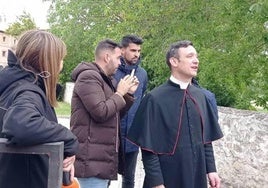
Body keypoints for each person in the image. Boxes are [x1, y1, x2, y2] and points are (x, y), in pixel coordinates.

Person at [127, 40, 223, 188]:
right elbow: (148, 148)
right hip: (167, 177)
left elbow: (206, 139)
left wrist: (211, 170)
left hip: (197, 174)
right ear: (174, 61)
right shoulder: (154, 99)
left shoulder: (201, 96)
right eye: (190, 56)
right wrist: (157, 183)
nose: (196, 60)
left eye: (196, 56)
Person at [0, 29, 78, 188]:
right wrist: (68, 138)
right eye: (60, 59)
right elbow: (20, 124)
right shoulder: (28, 90)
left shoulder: (12, 85)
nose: (62, 64)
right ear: (49, 61)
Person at [70, 39, 139, 188]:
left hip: (100, 161)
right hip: (90, 164)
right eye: (118, 58)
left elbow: (114, 115)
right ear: (107, 57)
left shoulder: (105, 79)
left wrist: (126, 95)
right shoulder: (89, 77)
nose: (120, 63)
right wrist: (120, 93)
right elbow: (101, 112)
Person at [114, 34, 148, 188]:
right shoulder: (112, 71)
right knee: (107, 176)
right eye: (133, 50)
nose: (137, 54)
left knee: (129, 179)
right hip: (112, 134)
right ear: (122, 50)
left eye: (139, 51)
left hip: (132, 137)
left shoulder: (142, 74)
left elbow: (141, 101)